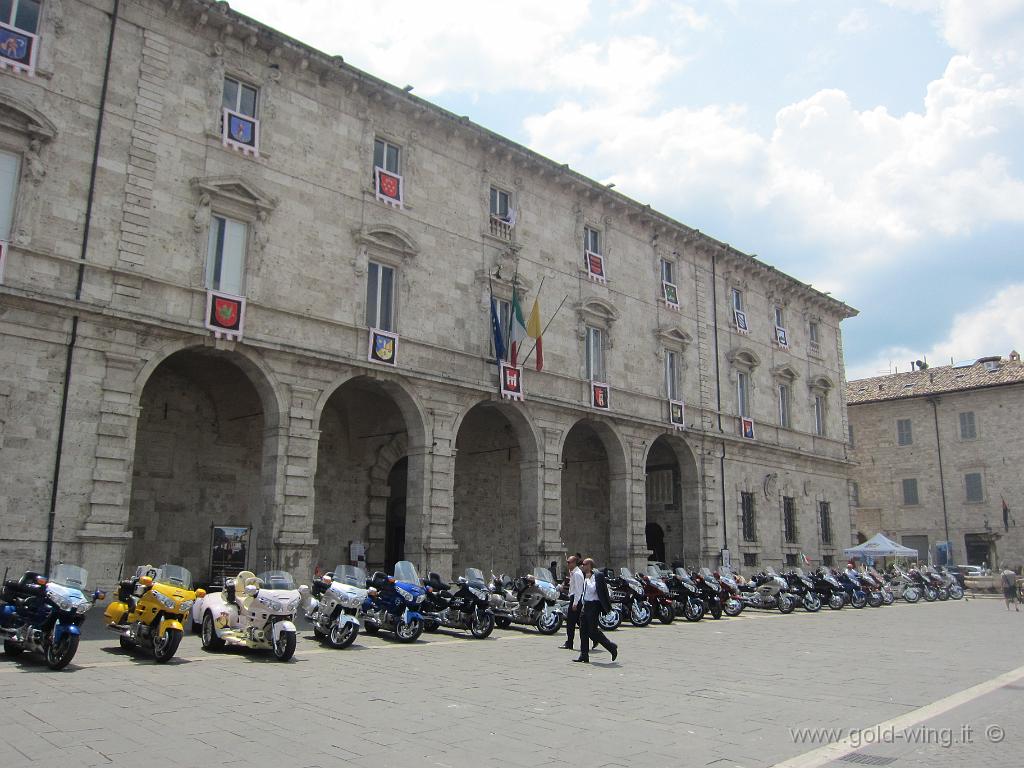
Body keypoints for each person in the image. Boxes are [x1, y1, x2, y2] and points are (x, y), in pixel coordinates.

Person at [574, 558, 618, 664]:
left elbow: (597, 590)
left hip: (594, 606)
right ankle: (584, 655)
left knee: (592, 631)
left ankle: (611, 646)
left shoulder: (597, 576)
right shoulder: (585, 575)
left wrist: (588, 579)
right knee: (583, 631)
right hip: (586, 605)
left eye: (584, 564)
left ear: (589, 565)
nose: (582, 566)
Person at [561, 555, 584, 650]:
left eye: (569, 562)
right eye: (567, 562)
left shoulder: (577, 574)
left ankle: (569, 643)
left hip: (576, 599)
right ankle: (594, 637)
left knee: (570, 623)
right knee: (579, 622)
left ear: (574, 563)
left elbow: (578, 590)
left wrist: (575, 603)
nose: (567, 564)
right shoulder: (573, 573)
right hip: (574, 598)